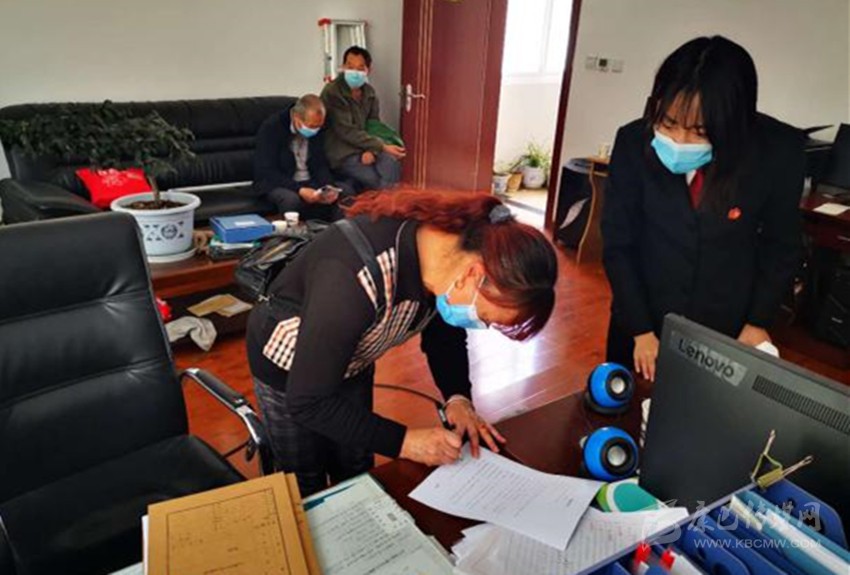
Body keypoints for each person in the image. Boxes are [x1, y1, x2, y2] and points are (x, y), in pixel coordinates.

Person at [246, 190, 558, 495]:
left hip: (352, 361)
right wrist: (406, 442)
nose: (482, 324)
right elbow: (308, 402)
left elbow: (443, 334)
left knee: (356, 469)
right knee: (303, 479)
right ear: (474, 275)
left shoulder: (448, 260)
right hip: (287, 370)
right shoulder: (353, 276)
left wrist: (458, 397)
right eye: (487, 317)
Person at [601, 36, 805, 381]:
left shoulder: (776, 151)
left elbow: (781, 246)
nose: (679, 141)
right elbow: (618, 244)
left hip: (727, 326)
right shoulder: (633, 142)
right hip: (642, 319)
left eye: (699, 132)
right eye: (668, 123)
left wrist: (757, 321)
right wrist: (641, 330)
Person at [253, 94, 351, 221]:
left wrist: (328, 186)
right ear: (296, 117)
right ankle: (295, 233)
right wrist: (299, 189)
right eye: (311, 126)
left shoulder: (318, 126)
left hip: (309, 180)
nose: (315, 130)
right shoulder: (272, 128)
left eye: (319, 126)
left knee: (345, 192)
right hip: (279, 182)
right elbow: (267, 171)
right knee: (291, 200)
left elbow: (320, 162)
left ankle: (335, 231)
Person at [321, 46, 405, 191]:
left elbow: (374, 126)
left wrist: (372, 150)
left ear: (368, 70)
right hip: (342, 152)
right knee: (375, 179)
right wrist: (381, 146)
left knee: (391, 164)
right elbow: (345, 131)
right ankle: (383, 203)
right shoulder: (333, 92)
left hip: (366, 146)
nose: (354, 72)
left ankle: (386, 203)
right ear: (343, 67)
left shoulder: (369, 92)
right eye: (350, 67)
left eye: (360, 68)